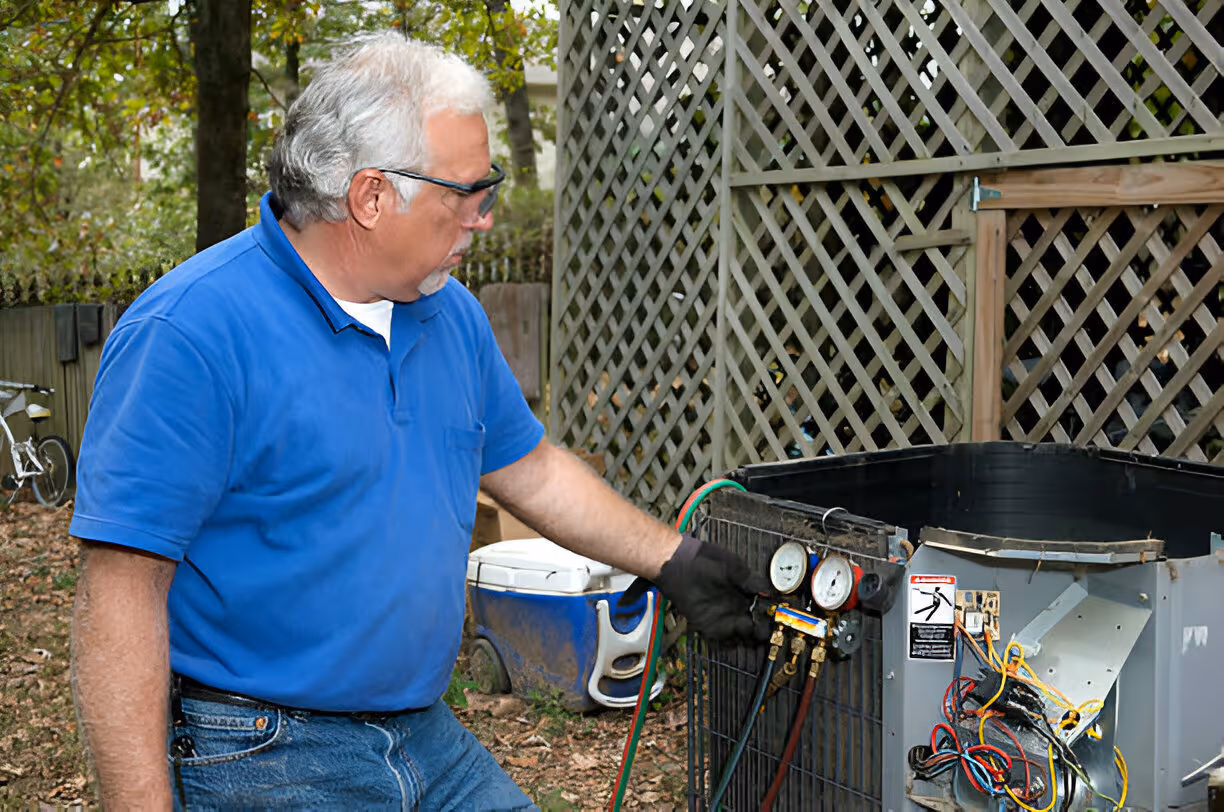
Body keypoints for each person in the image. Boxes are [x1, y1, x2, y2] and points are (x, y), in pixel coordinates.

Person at [69, 33, 766, 810]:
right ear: (371, 197)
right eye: (467, 193)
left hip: (423, 734)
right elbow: (121, 592)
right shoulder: (192, 333)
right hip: (261, 749)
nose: (485, 218)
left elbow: (527, 468)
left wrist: (673, 560)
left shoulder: (447, 314)